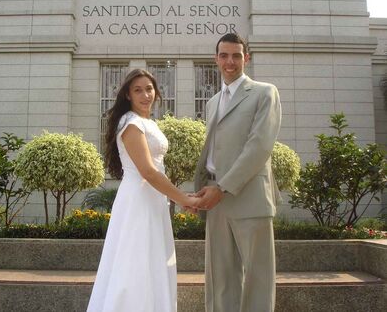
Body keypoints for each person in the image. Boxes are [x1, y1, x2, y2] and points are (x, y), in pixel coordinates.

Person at [87, 68, 200, 312]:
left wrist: (174, 198)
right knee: (135, 264)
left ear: (157, 92)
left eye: (149, 89)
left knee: (152, 262)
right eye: (137, 90)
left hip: (154, 199)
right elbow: (148, 171)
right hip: (138, 199)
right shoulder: (131, 123)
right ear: (127, 95)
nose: (145, 94)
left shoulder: (147, 122)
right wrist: (183, 198)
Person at [193, 33, 282, 312]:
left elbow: (259, 146)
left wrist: (223, 187)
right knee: (220, 278)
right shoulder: (212, 102)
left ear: (247, 57)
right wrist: (203, 191)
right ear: (216, 59)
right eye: (224, 55)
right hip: (215, 199)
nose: (229, 62)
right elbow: (213, 150)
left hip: (249, 197)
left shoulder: (265, 92)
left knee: (258, 278)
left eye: (236, 55)